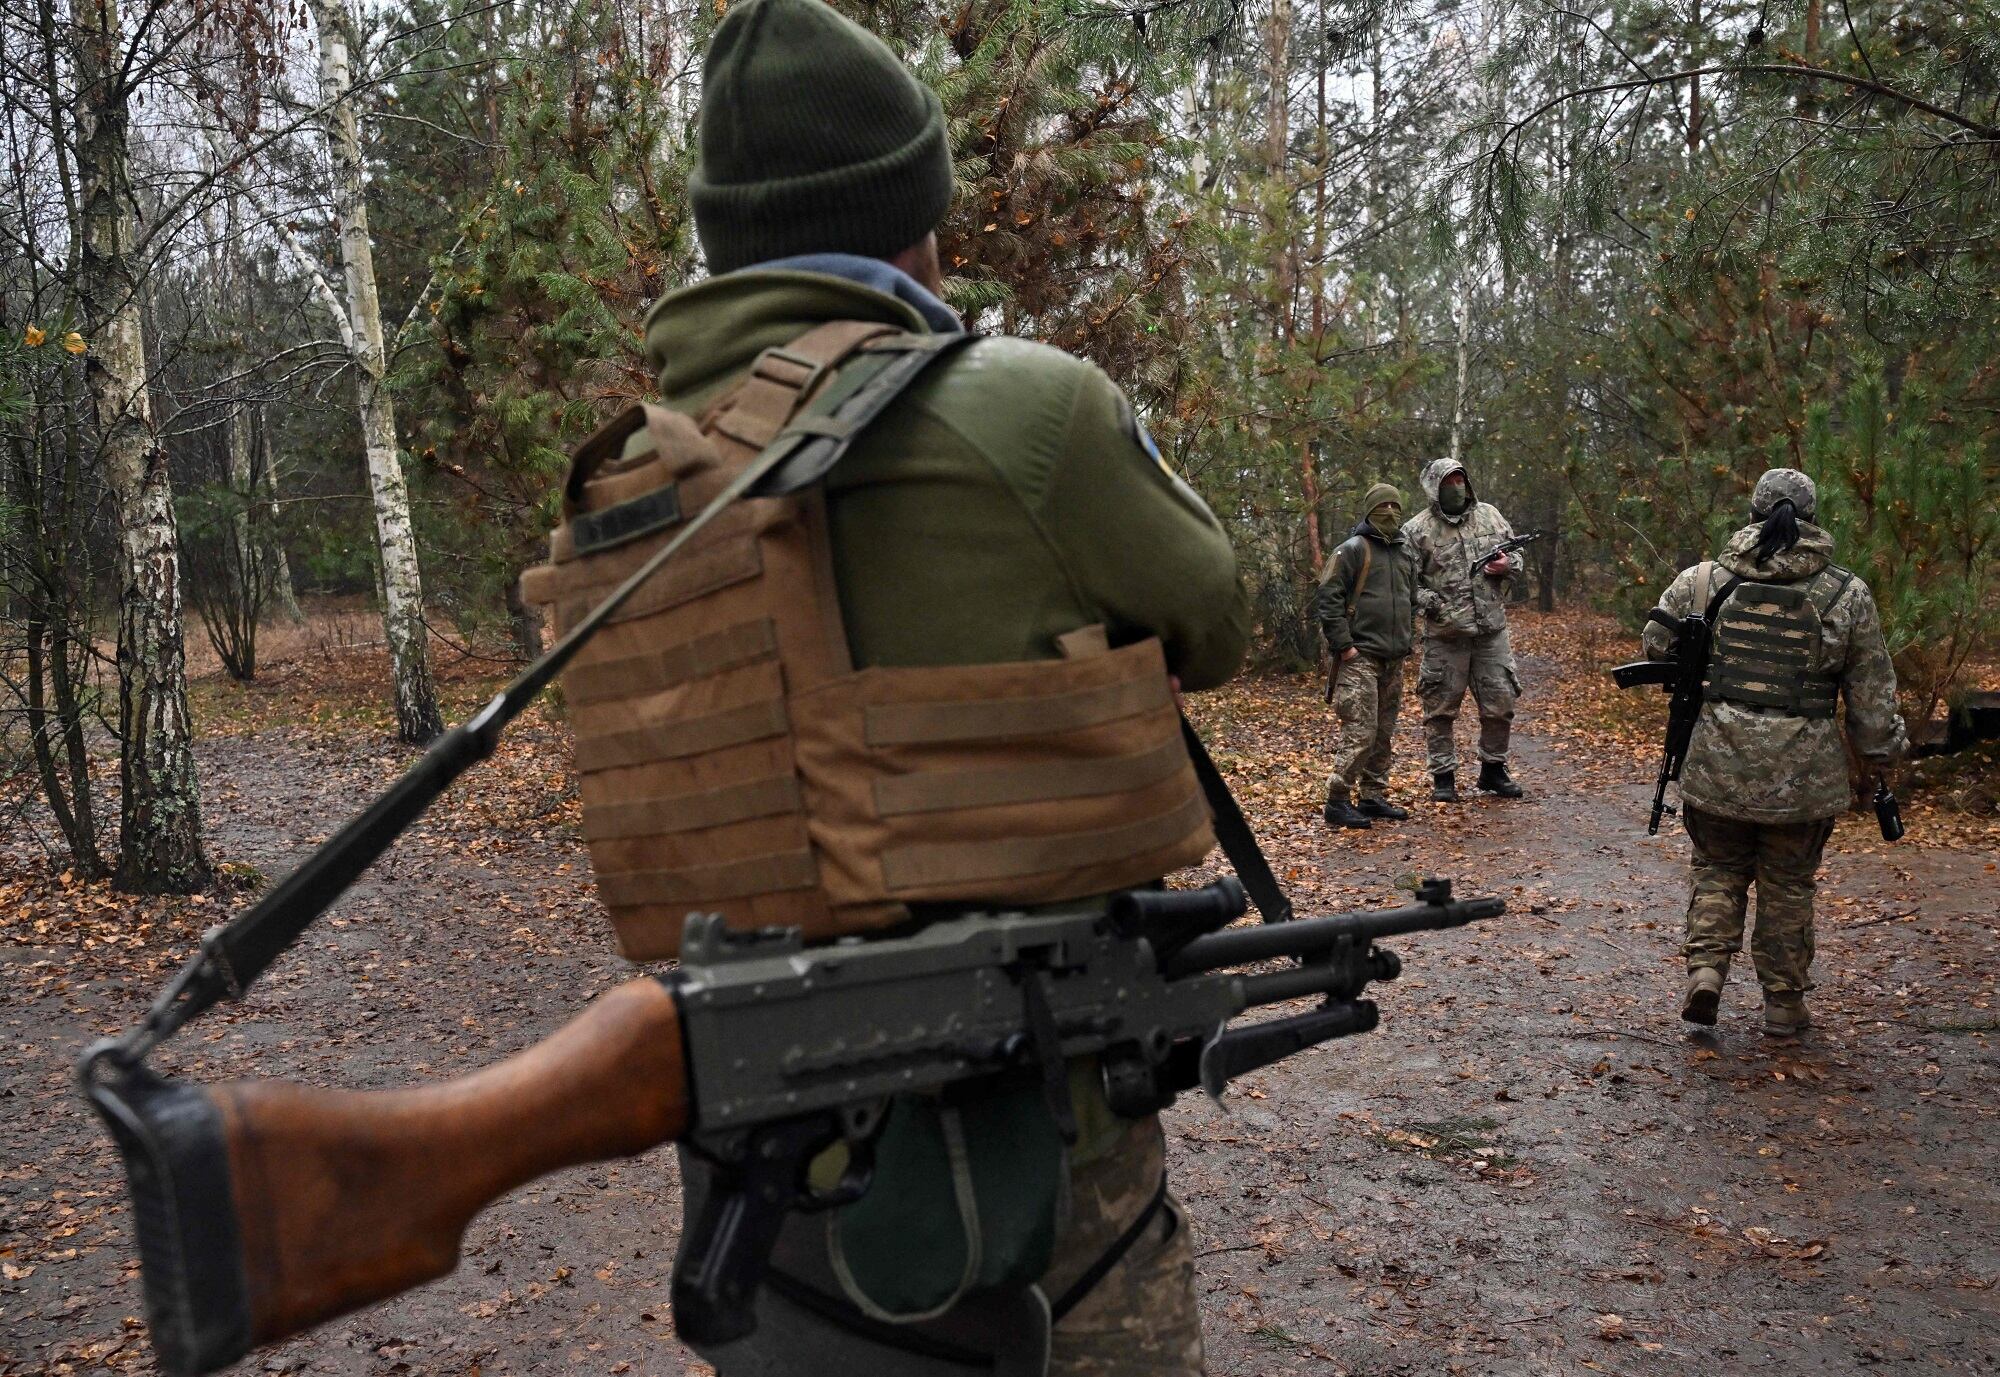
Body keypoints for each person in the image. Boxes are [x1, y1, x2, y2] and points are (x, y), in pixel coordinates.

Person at [632, 1, 1249, 1371]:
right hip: (1038, 1174)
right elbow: (1219, 620)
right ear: (911, 213)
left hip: (764, 1163)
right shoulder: (1029, 414)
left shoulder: (626, 484)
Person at [1642, 468, 1906, 1038]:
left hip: (1716, 762)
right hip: (1804, 772)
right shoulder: (1845, 592)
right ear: (1811, 518)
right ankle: (1783, 1006)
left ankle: (1707, 974)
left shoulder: (1703, 581)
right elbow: (1872, 694)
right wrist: (1878, 759)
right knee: (1788, 886)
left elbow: (1655, 644)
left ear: (1753, 513)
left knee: (1717, 871)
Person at [1403, 458, 1526, 801]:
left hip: (1491, 631)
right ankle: (1443, 777)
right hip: (1445, 636)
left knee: (1501, 703)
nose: (1456, 486)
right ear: (1434, 488)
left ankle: (1492, 770)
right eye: (1448, 481)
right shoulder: (1416, 530)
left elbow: (1516, 556)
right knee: (1440, 709)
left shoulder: (1490, 516)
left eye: (1460, 479)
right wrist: (1436, 605)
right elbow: (1406, 584)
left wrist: (1507, 565)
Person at [1313, 482, 1417, 829]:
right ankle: (1337, 800)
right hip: (1360, 658)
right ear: (1369, 510)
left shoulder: (1405, 552)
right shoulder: (1352, 550)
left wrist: (1406, 640)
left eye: (1395, 504)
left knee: (1384, 732)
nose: (1389, 511)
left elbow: (1410, 599)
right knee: (1361, 731)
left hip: (1394, 658)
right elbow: (1328, 600)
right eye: (1382, 505)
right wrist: (1345, 647)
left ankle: (1372, 796)